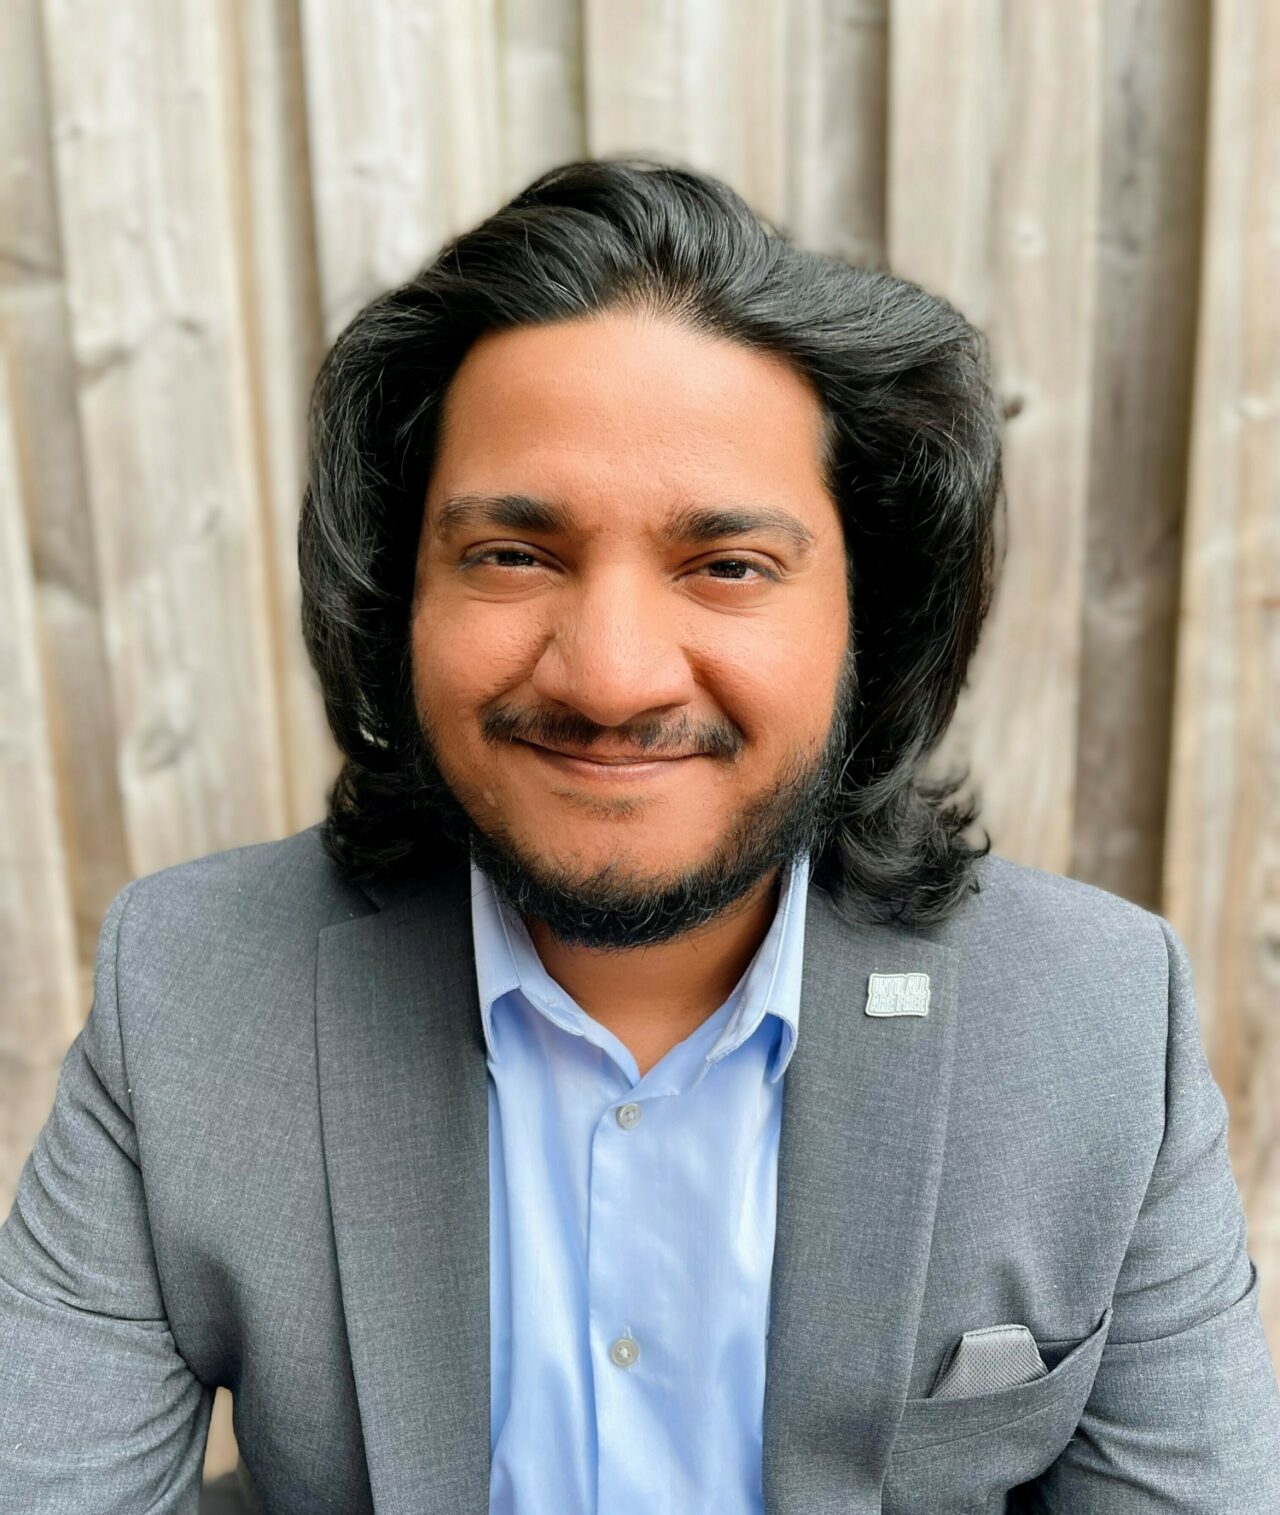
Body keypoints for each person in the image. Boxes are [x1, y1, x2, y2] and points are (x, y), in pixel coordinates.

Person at [1, 158, 1277, 1515]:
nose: (610, 678)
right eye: (514, 554)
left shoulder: (1098, 1027)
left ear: (871, 619)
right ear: (396, 599)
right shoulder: (187, 996)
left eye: (727, 566)